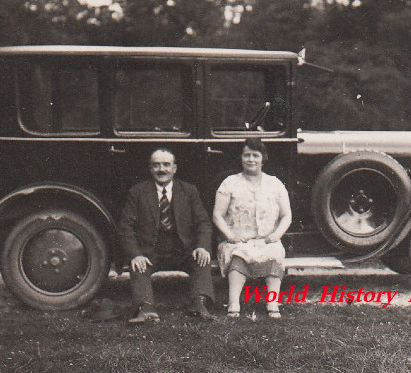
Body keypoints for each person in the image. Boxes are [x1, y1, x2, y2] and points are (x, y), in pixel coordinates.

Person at [117, 148, 216, 323]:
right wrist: (136, 254)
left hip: (183, 251)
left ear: (175, 168)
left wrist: (201, 246)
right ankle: (146, 308)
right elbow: (126, 227)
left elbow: (203, 222)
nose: (161, 169)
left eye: (166, 165)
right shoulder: (138, 192)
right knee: (138, 265)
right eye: (156, 165)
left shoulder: (188, 191)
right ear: (150, 169)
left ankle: (199, 304)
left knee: (202, 258)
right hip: (151, 252)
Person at [212, 137, 292, 319]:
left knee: (274, 254)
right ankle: (234, 303)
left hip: (266, 240)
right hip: (238, 239)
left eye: (255, 155)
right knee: (237, 257)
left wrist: (276, 235)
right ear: (241, 158)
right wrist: (230, 235)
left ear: (263, 158)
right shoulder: (229, 183)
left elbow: (286, 215)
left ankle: (272, 303)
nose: (250, 160)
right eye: (246, 155)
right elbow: (217, 215)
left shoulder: (275, 184)